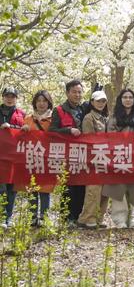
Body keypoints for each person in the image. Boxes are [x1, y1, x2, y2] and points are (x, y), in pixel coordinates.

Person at [103, 89, 134, 229]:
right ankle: (119, 218)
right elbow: (110, 136)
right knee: (118, 187)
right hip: (118, 155)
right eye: (125, 97)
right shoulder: (114, 117)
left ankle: (131, 217)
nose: (128, 100)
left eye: (130, 97)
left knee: (133, 187)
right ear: (120, 100)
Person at [50, 80, 87, 226]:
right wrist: (68, 130)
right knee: (68, 186)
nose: (77, 95)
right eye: (74, 91)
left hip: (83, 154)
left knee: (81, 187)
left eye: (79, 92)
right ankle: (66, 218)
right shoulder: (59, 110)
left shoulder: (84, 109)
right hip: (66, 154)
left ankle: (77, 217)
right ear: (67, 93)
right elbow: (52, 131)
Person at [21, 90, 54, 226]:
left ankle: (44, 217)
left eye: (44, 101)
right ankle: (33, 216)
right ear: (35, 103)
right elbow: (20, 139)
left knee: (45, 189)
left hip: (47, 158)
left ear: (48, 103)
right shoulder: (28, 119)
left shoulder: (53, 119)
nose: (41, 104)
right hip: (31, 157)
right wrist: (23, 130)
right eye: (39, 101)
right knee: (32, 187)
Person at [77, 90, 109, 229]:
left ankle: (99, 217)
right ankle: (87, 218)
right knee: (93, 189)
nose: (101, 103)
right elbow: (88, 139)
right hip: (94, 158)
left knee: (105, 190)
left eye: (103, 101)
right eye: (98, 101)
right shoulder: (89, 118)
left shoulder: (106, 118)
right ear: (92, 102)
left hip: (107, 158)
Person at [0, 87, 25, 227]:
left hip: (15, 157)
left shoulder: (22, 114)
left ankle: (8, 218)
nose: (10, 98)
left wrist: (13, 127)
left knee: (11, 188)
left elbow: (25, 132)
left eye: (13, 96)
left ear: (16, 98)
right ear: (3, 97)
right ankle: (1, 216)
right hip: (0, 156)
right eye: (7, 96)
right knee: (1, 188)